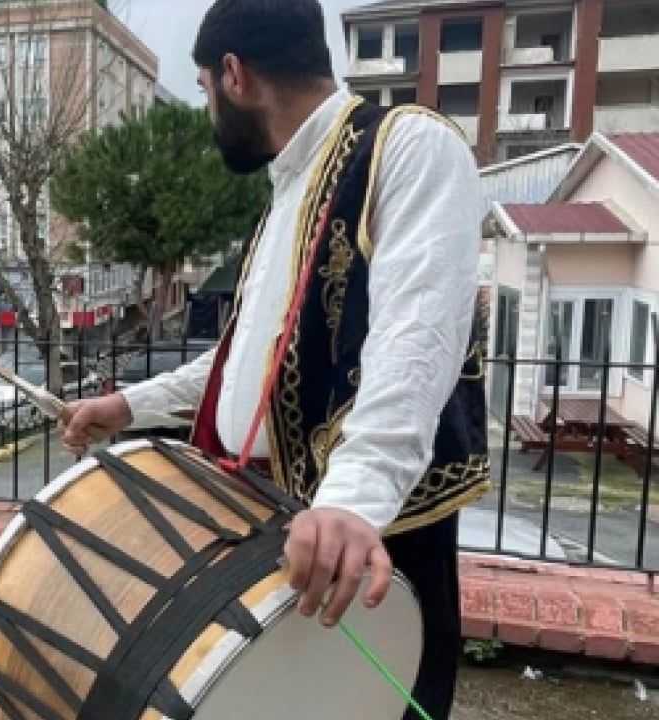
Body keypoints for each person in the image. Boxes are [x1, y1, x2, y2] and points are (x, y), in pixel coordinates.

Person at [61, 1, 489, 719]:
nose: (208, 111)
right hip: (282, 528)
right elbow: (248, 366)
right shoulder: (287, 193)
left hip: (376, 541)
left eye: (204, 89)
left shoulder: (411, 145)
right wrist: (131, 405)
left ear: (234, 75)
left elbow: (418, 341)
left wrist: (351, 501)